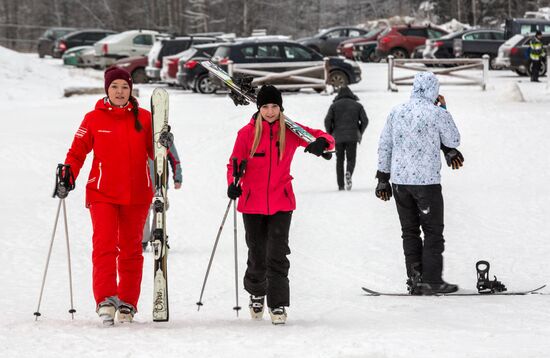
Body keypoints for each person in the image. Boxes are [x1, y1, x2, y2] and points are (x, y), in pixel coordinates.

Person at [226, 85, 335, 324]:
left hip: (281, 202)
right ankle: (256, 293)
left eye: (275, 106)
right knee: (257, 253)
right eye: (265, 106)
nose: (270, 111)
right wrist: (233, 183)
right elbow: (234, 164)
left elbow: (327, 138)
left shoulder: (291, 131)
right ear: (259, 108)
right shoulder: (246, 134)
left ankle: (277, 305)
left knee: (277, 254)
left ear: (281, 107)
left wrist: (321, 144)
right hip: (251, 203)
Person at [61, 66, 154, 325]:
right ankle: (105, 299)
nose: (120, 92)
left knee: (131, 249)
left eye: (125, 87)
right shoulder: (93, 118)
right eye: (115, 87)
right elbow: (77, 151)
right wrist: (68, 175)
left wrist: (164, 143)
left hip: (137, 193)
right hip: (102, 192)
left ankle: (127, 302)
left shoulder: (145, 118)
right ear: (107, 89)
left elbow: (157, 154)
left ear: (131, 90)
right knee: (104, 246)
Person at [375, 72, 464, 295]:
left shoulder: (396, 111)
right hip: (427, 183)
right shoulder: (435, 113)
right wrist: (444, 109)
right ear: (434, 90)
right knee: (433, 231)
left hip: (400, 184)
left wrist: (382, 179)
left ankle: (415, 278)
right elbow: (453, 140)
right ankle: (432, 280)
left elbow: (385, 145)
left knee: (409, 231)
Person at [324, 86, 368, 191]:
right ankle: (349, 173)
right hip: (352, 136)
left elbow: (327, 121)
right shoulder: (358, 105)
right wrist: (359, 131)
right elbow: (365, 120)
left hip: (338, 137)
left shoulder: (334, 106)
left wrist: (330, 133)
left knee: (339, 160)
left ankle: (341, 185)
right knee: (351, 159)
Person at [142, 143, 182, 252]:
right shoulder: (140, 135)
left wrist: (177, 177)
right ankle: (142, 240)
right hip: (143, 182)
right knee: (144, 211)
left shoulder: (165, 138)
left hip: (160, 183)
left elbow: (174, 159)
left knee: (159, 210)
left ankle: (157, 236)